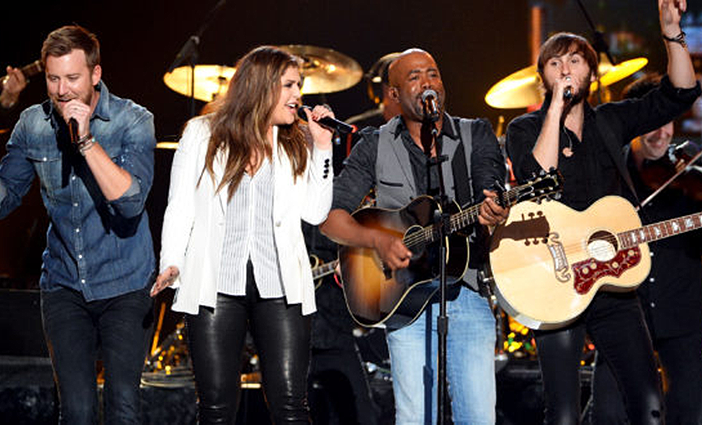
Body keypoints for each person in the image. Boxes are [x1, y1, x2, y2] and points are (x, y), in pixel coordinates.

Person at [505, 0, 700, 422]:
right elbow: (537, 174)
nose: (565, 69)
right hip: (555, 282)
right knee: (563, 413)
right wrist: (555, 108)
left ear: (592, 73)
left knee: (649, 405)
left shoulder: (610, 122)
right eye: (555, 63)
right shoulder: (524, 129)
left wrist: (671, 31)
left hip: (612, 286)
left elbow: (679, 93)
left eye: (575, 60)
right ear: (543, 76)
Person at [320, 48, 508, 425]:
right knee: (415, 417)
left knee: (478, 417)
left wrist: (495, 210)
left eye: (434, 74)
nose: (428, 83)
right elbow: (330, 217)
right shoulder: (374, 144)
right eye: (415, 77)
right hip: (402, 301)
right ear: (393, 95)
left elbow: (492, 188)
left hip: (468, 294)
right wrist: (377, 241)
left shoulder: (476, 134)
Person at [151, 45, 334, 424]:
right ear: (261, 86)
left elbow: (315, 212)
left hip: (281, 284)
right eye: (289, 85)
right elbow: (180, 205)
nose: (298, 95)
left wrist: (322, 147)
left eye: (298, 85)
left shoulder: (294, 140)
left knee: (290, 406)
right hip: (216, 282)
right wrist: (172, 261)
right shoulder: (202, 134)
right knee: (216, 408)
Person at [0, 25, 156, 424]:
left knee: (122, 407)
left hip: (126, 282)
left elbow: (131, 202)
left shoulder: (133, 120)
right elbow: (7, 194)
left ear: (95, 75)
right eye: (53, 79)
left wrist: (86, 141)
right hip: (64, 283)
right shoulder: (32, 125)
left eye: (72, 78)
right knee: (77, 411)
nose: (62, 90)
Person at [591, 74, 702, 424]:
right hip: (623, 314)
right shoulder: (608, 176)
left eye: (669, 122)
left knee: (689, 412)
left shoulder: (689, 177)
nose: (663, 132)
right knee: (609, 414)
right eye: (654, 123)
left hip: (682, 314)